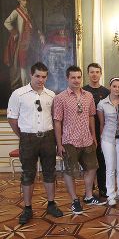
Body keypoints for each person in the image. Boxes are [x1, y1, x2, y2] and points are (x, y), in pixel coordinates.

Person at [7, 62, 63, 224]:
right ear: (31, 75)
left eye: (44, 76)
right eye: (37, 76)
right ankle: (27, 208)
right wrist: (23, 135)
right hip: (28, 138)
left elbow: (55, 118)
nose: (40, 79)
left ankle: (51, 204)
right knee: (28, 174)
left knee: (50, 172)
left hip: (48, 138)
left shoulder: (51, 95)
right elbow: (12, 118)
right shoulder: (18, 94)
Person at [54, 66, 106, 215]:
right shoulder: (60, 98)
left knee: (92, 167)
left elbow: (91, 116)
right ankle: (75, 200)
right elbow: (57, 121)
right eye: (73, 77)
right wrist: (59, 143)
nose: (76, 80)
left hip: (87, 139)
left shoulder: (88, 95)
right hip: (69, 140)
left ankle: (89, 196)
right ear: (67, 78)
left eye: (78, 77)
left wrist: (94, 136)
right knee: (70, 171)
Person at [4, 0, 45, 90]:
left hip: (31, 42)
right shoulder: (16, 11)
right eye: (23, 0)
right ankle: (24, 87)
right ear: (19, 1)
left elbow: (34, 25)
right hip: (22, 43)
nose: (25, 2)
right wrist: (14, 32)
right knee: (22, 65)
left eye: (26, 0)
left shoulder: (29, 12)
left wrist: (40, 35)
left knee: (30, 64)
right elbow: (6, 22)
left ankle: (29, 85)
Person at [83, 63, 110, 198]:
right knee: (88, 163)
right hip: (85, 133)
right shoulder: (82, 91)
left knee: (102, 162)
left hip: (102, 133)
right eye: (92, 72)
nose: (94, 74)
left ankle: (103, 188)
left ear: (100, 74)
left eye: (97, 72)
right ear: (88, 74)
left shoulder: (106, 92)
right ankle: (89, 189)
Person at [97, 77, 119, 206]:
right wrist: (102, 140)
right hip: (107, 139)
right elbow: (101, 124)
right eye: (114, 86)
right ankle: (111, 195)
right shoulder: (102, 103)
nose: (117, 89)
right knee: (110, 168)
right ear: (110, 87)